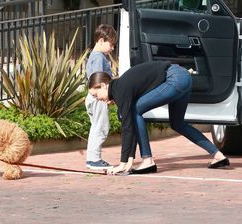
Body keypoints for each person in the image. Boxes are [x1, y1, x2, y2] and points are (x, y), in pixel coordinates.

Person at [88, 61, 230, 175]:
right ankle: (218, 155)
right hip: (184, 77)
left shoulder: (120, 88)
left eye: (96, 95)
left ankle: (147, 160)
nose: (97, 99)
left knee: (135, 110)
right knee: (177, 123)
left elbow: (127, 127)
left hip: (174, 78)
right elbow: (129, 124)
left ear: (103, 85)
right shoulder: (120, 86)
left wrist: (124, 163)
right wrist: (128, 161)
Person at [85, 24, 117, 170]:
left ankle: (93, 158)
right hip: (98, 97)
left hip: (93, 97)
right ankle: (94, 160)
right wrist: (106, 95)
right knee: (101, 128)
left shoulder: (94, 55)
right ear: (101, 40)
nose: (112, 48)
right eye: (111, 44)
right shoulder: (98, 57)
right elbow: (98, 80)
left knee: (96, 127)